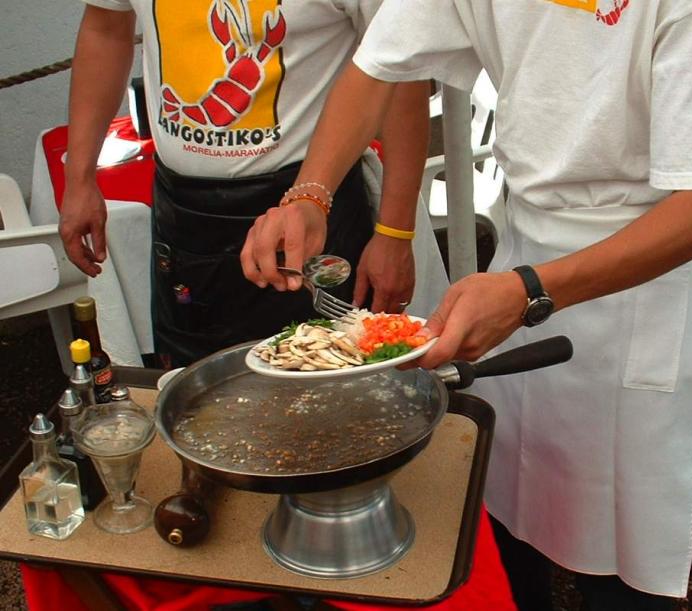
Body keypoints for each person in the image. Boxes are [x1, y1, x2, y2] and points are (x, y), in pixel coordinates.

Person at [240, 1, 692, 608]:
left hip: (636, 284)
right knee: (506, 507)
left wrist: (529, 290)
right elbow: (379, 67)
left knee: (619, 557)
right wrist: (310, 196)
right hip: (522, 257)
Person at [57, 0, 448, 368]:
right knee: (197, 394)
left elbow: (401, 73)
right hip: (184, 219)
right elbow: (105, 29)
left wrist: (395, 233)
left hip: (316, 213)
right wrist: (79, 179)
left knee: (334, 393)